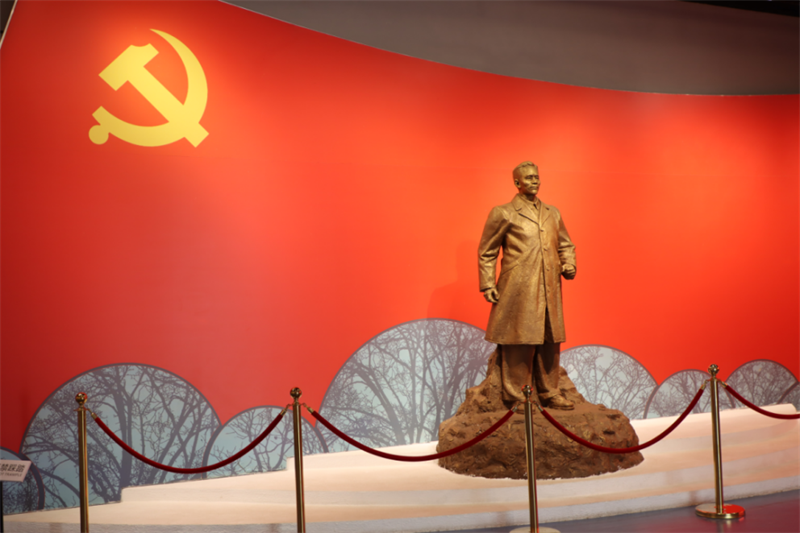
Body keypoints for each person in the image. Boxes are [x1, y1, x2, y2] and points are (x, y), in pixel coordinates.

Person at [478, 161, 576, 409]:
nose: (535, 181)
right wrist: (488, 284)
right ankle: (518, 395)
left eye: (536, 177)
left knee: (550, 340)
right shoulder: (503, 212)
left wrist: (569, 263)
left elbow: (565, 244)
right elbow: (487, 251)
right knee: (519, 340)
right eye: (529, 178)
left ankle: (550, 392)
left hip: (550, 286)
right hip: (519, 287)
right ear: (517, 182)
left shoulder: (552, 213)